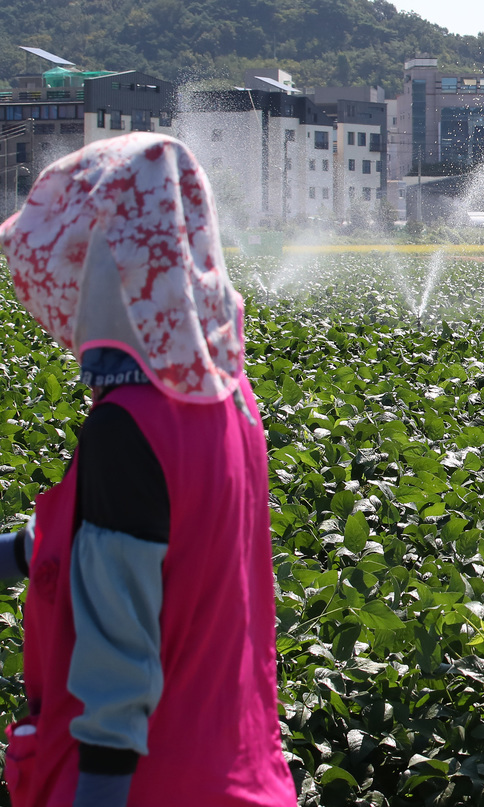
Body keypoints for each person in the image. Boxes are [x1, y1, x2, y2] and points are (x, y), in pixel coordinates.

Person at [0, 133, 296, 806]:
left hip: (151, 783)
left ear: (113, 269)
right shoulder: (228, 395)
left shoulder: (127, 425)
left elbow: (117, 672)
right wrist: (24, 551)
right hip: (240, 770)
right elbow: (176, 541)